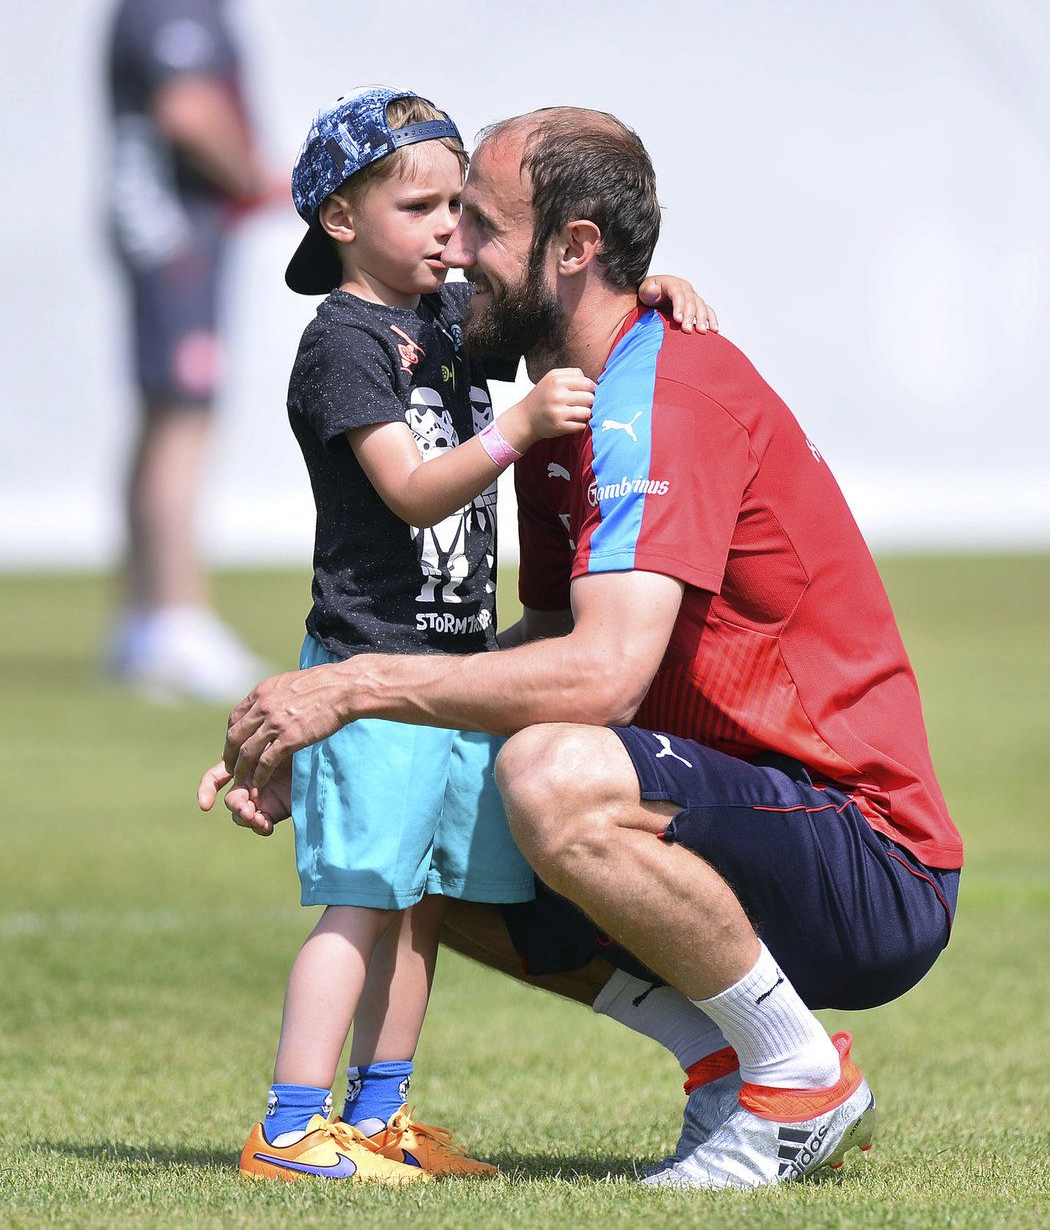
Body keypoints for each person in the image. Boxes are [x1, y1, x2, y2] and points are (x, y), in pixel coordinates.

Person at [202, 104, 963, 1191]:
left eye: (477, 222)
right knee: (419, 792)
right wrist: (334, 719)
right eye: (439, 214)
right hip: (742, 807)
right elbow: (557, 634)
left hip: (866, 853)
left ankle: (798, 1081)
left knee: (545, 767)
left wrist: (361, 685)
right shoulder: (555, 420)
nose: (451, 247)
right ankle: (721, 1060)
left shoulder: (664, 394)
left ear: (574, 249)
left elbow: (602, 676)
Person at [206, 86, 714, 1185]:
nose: (452, 230)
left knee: (425, 905)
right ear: (341, 220)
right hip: (368, 666)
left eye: (460, 208)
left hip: (454, 671)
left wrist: (643, 297)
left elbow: (541, 325)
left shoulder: (440, 320)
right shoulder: (342, 342)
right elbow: (408, 491)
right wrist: (518, 429)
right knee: (361, 904)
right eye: (422, 206)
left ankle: (380, 1117)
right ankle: (290, 1129)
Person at [104, 0, 284, 701]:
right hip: (174, 239)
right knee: (185, 421)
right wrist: (255, 176)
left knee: (162, 419)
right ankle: (177, 620)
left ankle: (143, 621)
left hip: (164, 237)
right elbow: (187, 108)